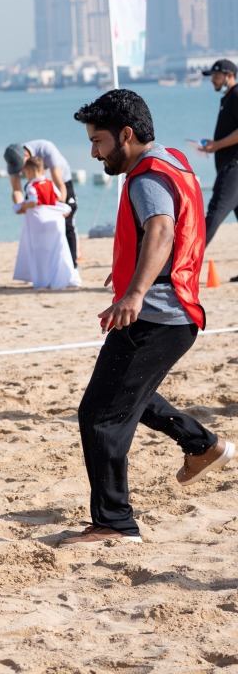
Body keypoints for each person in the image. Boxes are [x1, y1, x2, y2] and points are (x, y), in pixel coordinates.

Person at [61, 89, 232, 547]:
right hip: (177, 312)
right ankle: (201, 445)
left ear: (127, 135)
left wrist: (136, 290)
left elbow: (161, 228)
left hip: (157, 315)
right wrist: (129, 271)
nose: (93, 152)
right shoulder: (172, 158)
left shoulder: (144, 178)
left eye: (98, 141)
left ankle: (113, 524)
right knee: (131, 396)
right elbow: (168, 233)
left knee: (99, 414)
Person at [4, 139, 79, 267]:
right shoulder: (13, 160)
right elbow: (16, 190)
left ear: (27, 156)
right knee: (38, 228)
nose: (21, 171)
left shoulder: (46, 148)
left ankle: (72, 265)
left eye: (22, 168)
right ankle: (44, 264)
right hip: (34, 185)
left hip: (60, 183)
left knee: (66, 224)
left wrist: (58, 208)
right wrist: (21, 207)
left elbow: (59, 183)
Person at [197, 59, 238, 278]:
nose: (212, 79)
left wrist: (217, 145)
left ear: (229, 75)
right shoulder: (228, 98)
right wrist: (213, 145)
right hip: (231, 166)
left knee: (212, 216)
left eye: (216, 75)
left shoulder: (236, 95)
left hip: (234, 168)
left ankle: (183, 266)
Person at [13, 157, 80, 289]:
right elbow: (58, 198)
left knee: (40, 253)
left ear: (28, 171)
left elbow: (33, 201)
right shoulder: (50, 183)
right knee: (55, 252)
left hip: (38, 225)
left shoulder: (32, 186)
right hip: (53, 223)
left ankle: (42, 280)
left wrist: (22, 207)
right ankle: (56, 277)